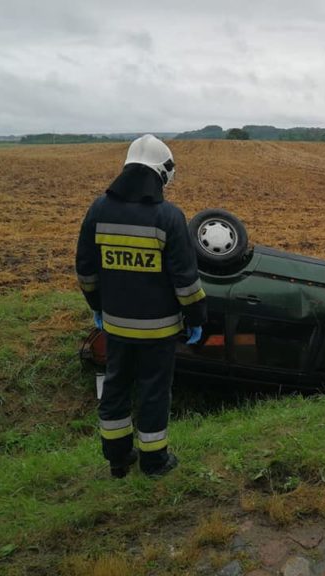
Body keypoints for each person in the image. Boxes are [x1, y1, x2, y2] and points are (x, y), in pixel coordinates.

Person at [75, 134, 206, 478]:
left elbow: (86, 271)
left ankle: (118, 459)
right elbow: (186, 283)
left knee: (116, 388)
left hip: (116, 326)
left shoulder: (98, 210)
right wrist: (196, 318)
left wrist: (97, 307)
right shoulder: (169, 217)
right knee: (153, 392)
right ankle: (154, 461)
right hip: (159, 329)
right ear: (161, 174)